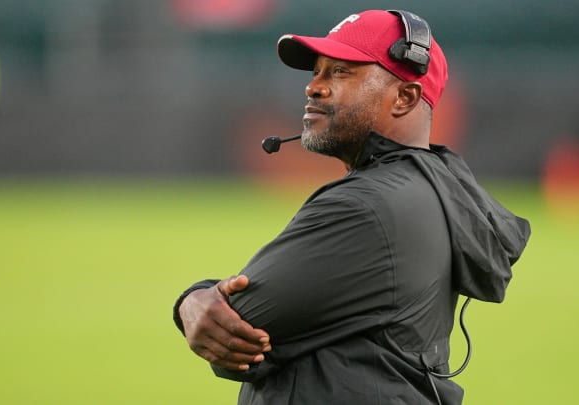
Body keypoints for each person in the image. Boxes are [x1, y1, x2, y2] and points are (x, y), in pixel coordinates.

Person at [174, 9, 530, 405]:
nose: (314, 88)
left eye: (341, 72)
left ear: (405, 97)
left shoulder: (368, 205)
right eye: (316, 72)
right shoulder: (424, 187)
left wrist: (193, 299)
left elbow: (234, 337)